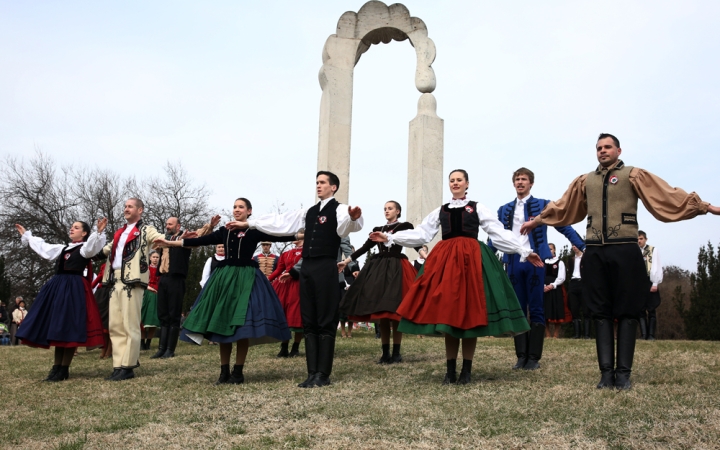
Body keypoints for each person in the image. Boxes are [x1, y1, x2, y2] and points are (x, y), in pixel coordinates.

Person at [521, 133, 720, 390]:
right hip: (595, 252)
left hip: (625, 250)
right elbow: (561, 207)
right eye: (599, 148)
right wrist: (536, 221)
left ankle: (623, 374)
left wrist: (705, 206)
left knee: (627, 311)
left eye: (607, 147)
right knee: (599, 312)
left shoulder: (634, 175)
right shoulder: (585, 181)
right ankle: (606, 374)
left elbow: (667, 196)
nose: (602, 151)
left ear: (618, 150)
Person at [370, 169, 543, 385]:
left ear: (467, 184)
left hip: (472, 262)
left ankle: (467, 370)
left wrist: (524, 251)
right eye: (451, 180)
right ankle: (450, 370)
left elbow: (497, 232)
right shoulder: (440, 210)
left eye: (459, 180)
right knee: (449, 314)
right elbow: (422, 233)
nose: (455, 183)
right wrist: (389, 236)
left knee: (470, 315)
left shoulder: (477, 207)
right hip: (446, 263)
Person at [236, 171, 364, 388]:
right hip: (308, 267)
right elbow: (281, 222)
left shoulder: (341, 209)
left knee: (325, 319)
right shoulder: (309, 211)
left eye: (323, 182)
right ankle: (311, 373)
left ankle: (323, 373)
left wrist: (354, 218)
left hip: (326, 266)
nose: (318, 186)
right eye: (317, 182)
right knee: (309, 320)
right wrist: (250, 224)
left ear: (333, 187)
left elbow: (347, 226)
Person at [154, 197, 296, 385]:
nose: (236, 210)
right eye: (235, 207)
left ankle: (238, 372)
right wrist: (170, 243)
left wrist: (308, 233)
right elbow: (201, 240)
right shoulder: (224, 231)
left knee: (242, 326)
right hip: (225, 279)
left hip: (247, 280)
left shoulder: (254, 231)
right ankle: (223, 372)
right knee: (222, 326)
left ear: (249, 211)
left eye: (241, 207)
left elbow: (283, 236)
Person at [490, 167, 586, 371]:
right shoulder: (504, 209)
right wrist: (484, 253)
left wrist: (583, 246)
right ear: (513, 183)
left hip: (537, 262)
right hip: (514, 261)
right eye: (517, 179)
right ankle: (521, 356)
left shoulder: (543, 205)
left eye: (524, 179)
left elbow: (564, 225)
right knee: (517, 309)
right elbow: (495, 235)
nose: (520, 182)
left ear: (531, 183)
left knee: (536, 308)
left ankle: (533, 357)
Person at [14, 219, 107, 381]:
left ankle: (63, 369)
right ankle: (56, 368)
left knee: (69, 329)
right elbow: (45, 248)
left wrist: (98, 233)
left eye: (76, 228)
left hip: (74, 290)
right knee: (58, 328)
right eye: (71, 227)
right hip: (58, 289)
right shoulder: (63, 248)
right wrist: (28, 237)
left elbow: (93, 246)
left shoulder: (84, 249)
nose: (72, 229)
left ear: (84, 233)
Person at [339, 200, 418, 364]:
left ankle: (396, 352)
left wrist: (425, 253)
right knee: (382, 312)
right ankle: (385, 352)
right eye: (385, 209)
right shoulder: (377, 230)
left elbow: (415, 242)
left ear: (398, 211)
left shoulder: (404, 226)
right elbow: (364, 248)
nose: (386, 211)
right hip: (379, 270)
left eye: (390, 208)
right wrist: (346, 261)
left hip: (397, 268)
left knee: (395, 311)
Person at [99, 198, 165, 381]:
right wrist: (93, 240)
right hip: (115, 280)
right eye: (125, 206)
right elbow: (104, 251)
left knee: (130, 324)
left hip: (133, 281)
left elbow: (158, 238)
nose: (126, 209)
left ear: (140, 210)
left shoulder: (145, 229)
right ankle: (118, 365)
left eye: (130, 206)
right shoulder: (119, 233)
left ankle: (128, 366)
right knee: (115, 325)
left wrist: (173, 239)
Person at [152, 216, 216, 359]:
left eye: (170, 224)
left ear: (178, 226)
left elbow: (198, 234)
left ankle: (170, 349)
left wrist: (209, 226)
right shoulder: (163, 240)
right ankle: (161, 348)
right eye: (167, 223)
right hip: (163, 279)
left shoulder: (184, 239)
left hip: (176, 280)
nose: (167, 226)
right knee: (163, 315)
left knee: (174, 314)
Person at [269, 234, 305, 357]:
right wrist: (267, 280)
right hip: (284, 285)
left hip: (300, 284)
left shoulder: (307, 251)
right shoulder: (286, 253)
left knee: (296, 313)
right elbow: (279, 269)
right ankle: (284, 347)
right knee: (284, 314)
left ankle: (295, 347)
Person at [638, 230, 662, 340]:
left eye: (641, 238)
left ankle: (651, 335)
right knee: (640, 309)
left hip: (650, 280)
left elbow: (657, 266)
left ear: (645, 239)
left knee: (651, 309)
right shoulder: (634, 251)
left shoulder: (653, 250)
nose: (639, 241)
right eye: (637, 239)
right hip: (639, 282)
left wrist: (655, 283)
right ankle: (644, 334)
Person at [543, 243, 569, 339]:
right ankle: (548, 334)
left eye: (551, 249)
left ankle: (556, 335)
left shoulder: (560, 262)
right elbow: (540, 275)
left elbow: (562, 277)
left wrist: (552, 285)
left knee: (557, 311)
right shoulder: (543, 262)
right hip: (544, 289)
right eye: (547, 249)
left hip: (555, 289)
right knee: (545, 312)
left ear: (554, 250)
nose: (549, 251)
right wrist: (543, 286)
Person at [567, 245, 590, 339]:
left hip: (583, 283)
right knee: (574, 309)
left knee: (586, 309)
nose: (574, 247)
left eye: (575, 245)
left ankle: (587, 335)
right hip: (573, 283)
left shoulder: (586, 258)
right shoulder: (571, 259)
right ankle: (577, 334)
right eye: (572, 245)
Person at [140, 251, 161, 350]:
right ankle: (142, 342)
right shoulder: (146, 269)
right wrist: (149, 288)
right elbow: (142, 281)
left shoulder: (161, 269)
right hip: (147, 293)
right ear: (150, 258)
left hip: (158, 295)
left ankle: (148, 342)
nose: (155, 259)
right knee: (143, 319)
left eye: (157, 257)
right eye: (154, 257)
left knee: (154, 320)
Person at [91, 263, 113, 358]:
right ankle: (104, 349)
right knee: (103, 322)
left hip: (114, 292)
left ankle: (110, 349)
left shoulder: (122, 264)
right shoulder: (104, 265)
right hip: (102, 293)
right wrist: (91, 286)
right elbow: (100, 276)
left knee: (112, 322)